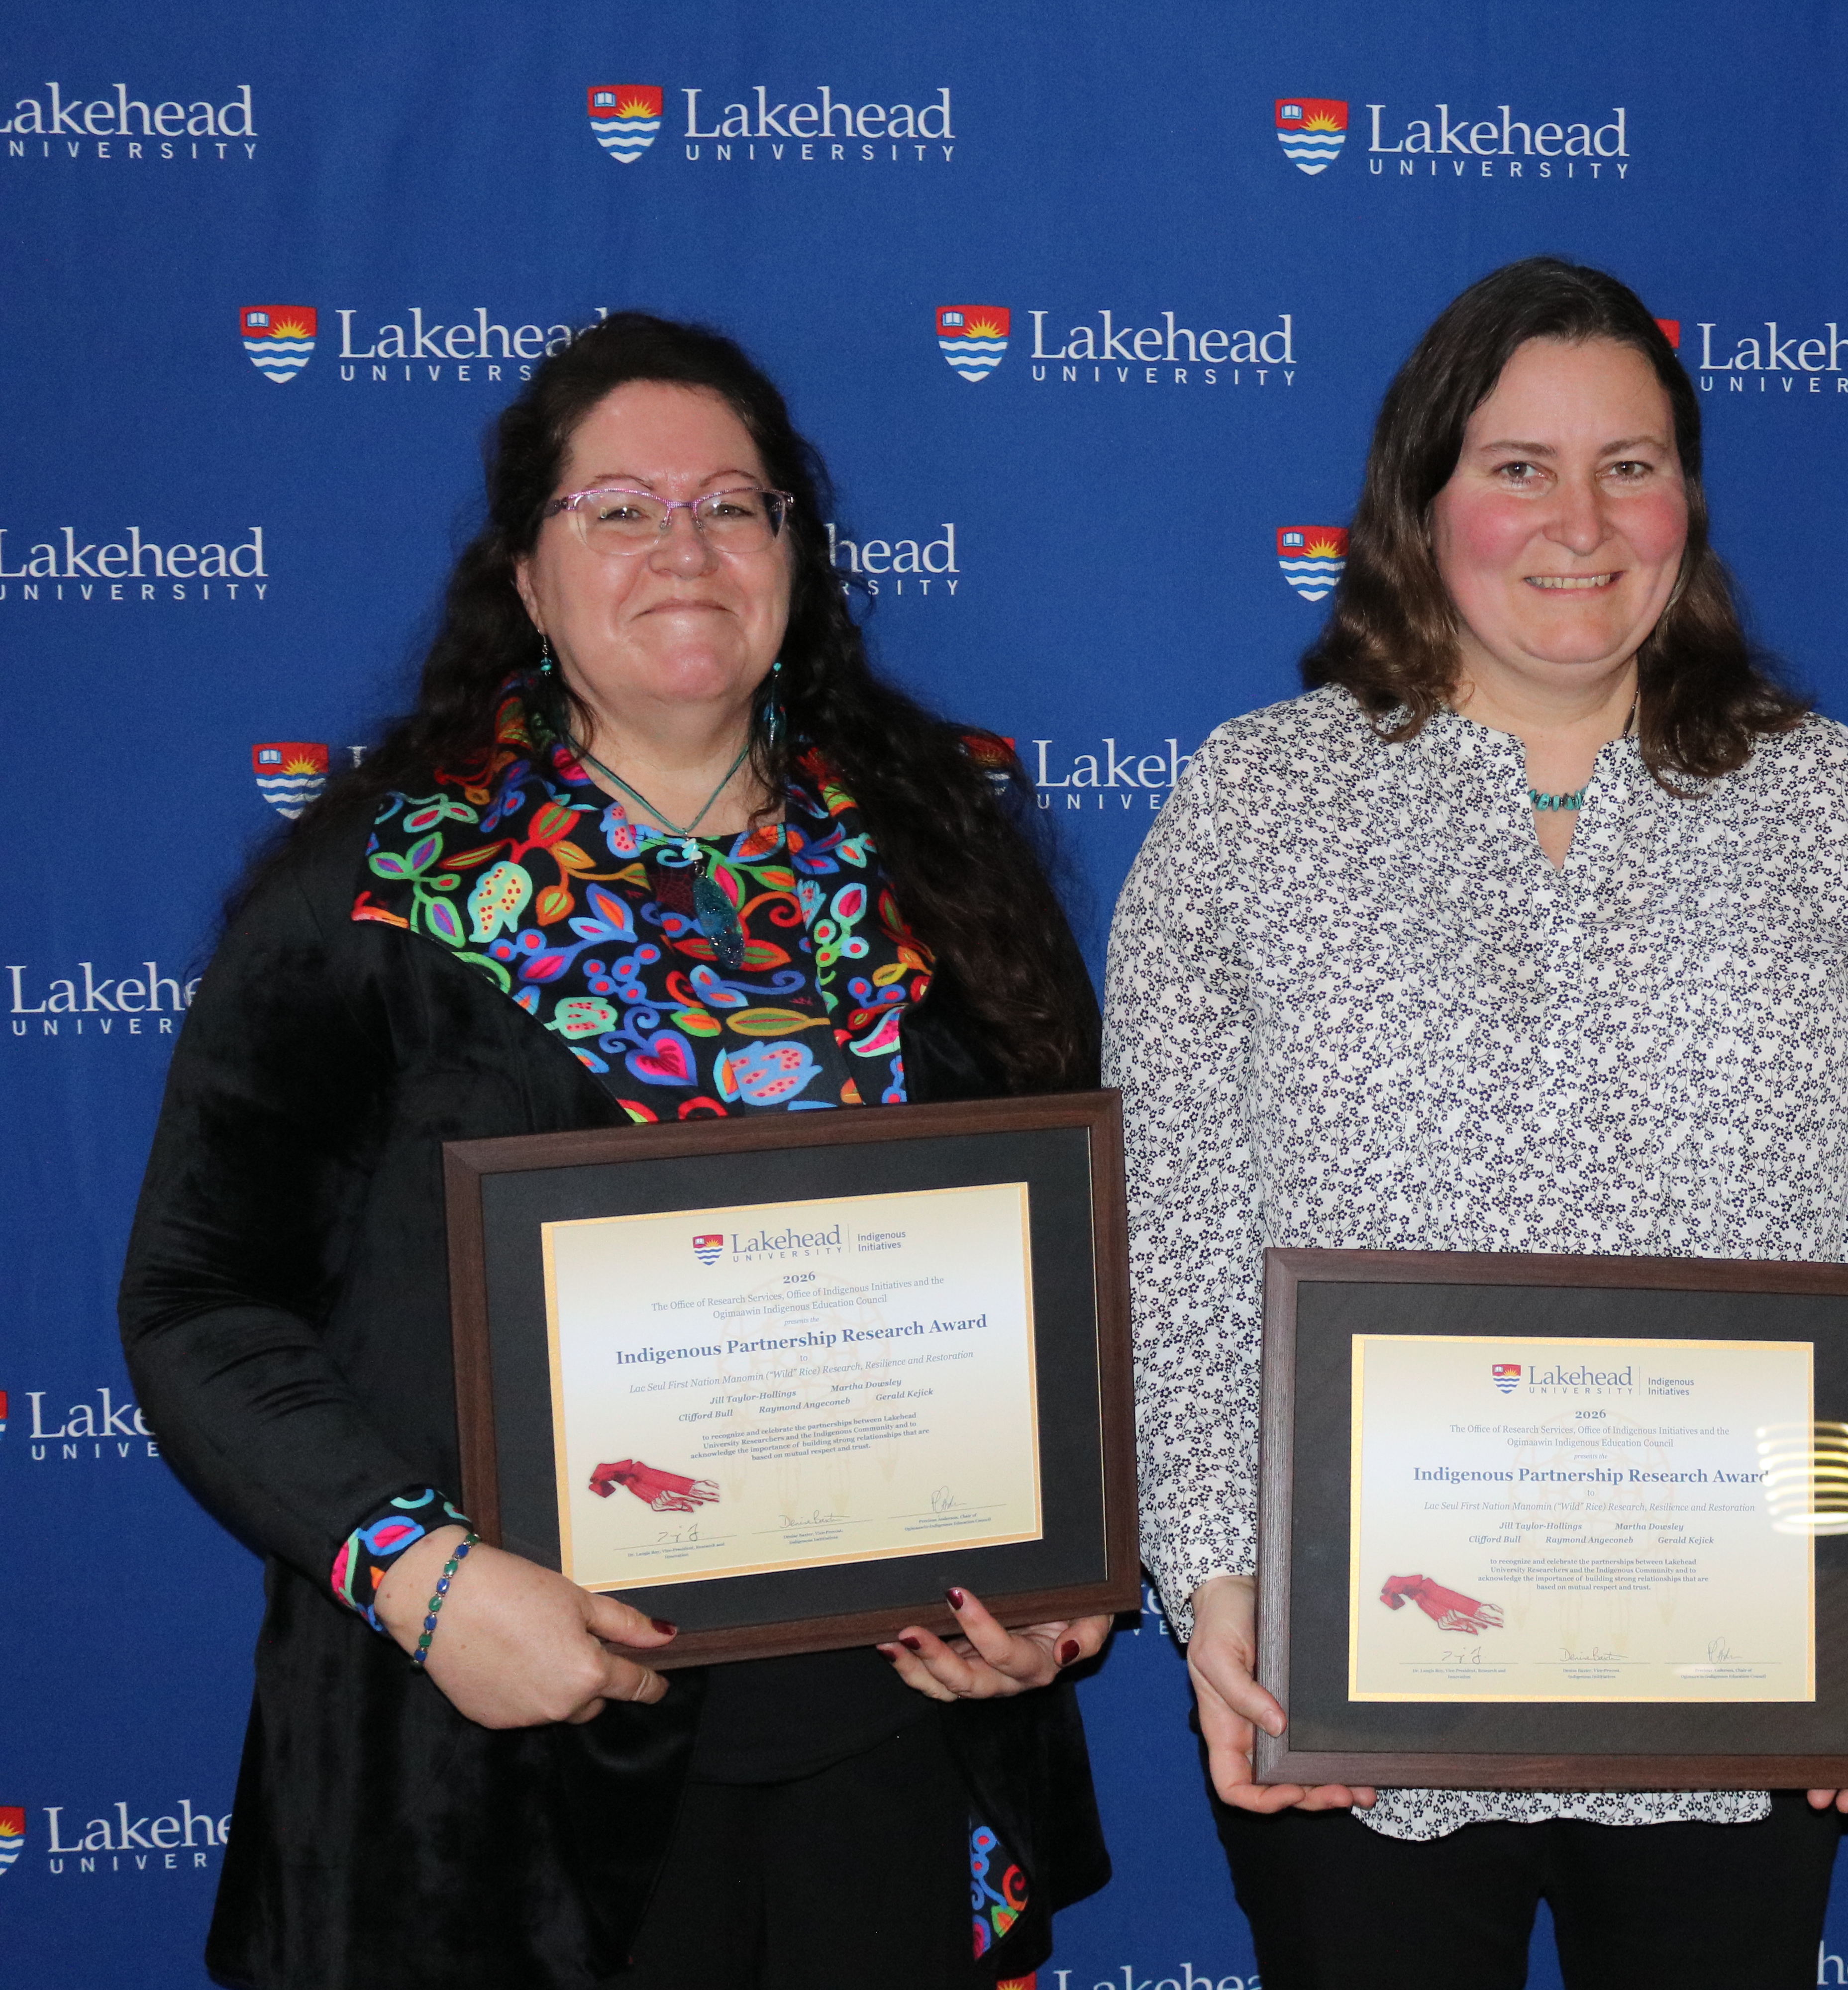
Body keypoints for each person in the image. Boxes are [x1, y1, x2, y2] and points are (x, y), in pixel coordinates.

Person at [117, 313, 1112, 1990]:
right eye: (621, 511)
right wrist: (423, 1582)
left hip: (888, 1740)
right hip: (497, 1759)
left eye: (735, 505)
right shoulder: (372, 894)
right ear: (527, 576)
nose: (686, 549)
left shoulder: (946, 859)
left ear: (796, 553)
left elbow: (1072, 1256)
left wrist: (1062, 1567)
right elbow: (200, 1303)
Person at [1104, 256, 1848, 1990]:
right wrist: (1215, 1574)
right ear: (1422, 499)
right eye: (1519, 466)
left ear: (1689, 502)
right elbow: (1178, 1237)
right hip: (1359, 1678)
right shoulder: (1252, 805)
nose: (1581, 521)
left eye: (1633, 466)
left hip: (1737, 1674)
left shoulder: (1821, 803)